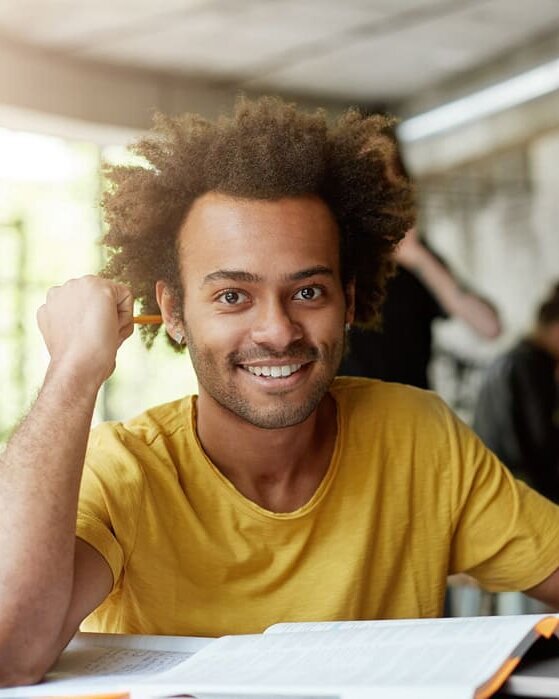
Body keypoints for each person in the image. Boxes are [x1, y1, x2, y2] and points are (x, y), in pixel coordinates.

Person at [1, 97, 559, 687]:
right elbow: (10, 650)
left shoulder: (418, 436)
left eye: (309, 292)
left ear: (348, 298)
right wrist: (72, 374)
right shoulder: (123, 472)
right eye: (233, 296)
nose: (277, 331)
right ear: (172, 310)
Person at [339, 195, 501, 388]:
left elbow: (489, 326)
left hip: (413, 411)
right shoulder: (335, 260)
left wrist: (418, 256)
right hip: (349, 412)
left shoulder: (416, 262)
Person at [473, 283, 559, 502]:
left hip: (498, 482)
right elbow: (541, 440)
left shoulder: (513, 360)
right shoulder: (530, 366)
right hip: (520, 486)